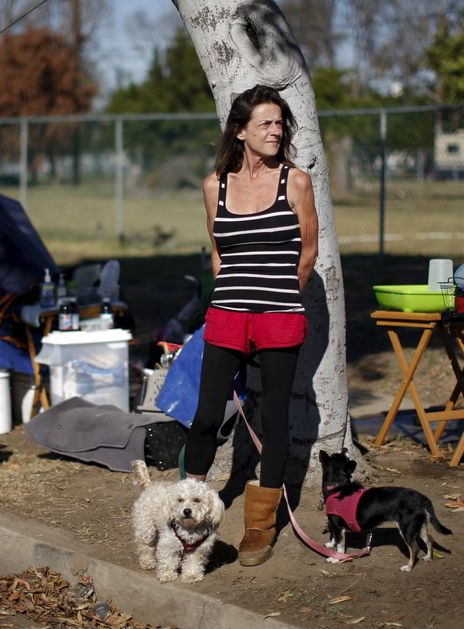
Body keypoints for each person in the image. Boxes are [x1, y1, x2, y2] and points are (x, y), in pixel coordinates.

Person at [183, 84, 318, 567]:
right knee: (204, 415)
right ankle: (188, 513)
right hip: (227, 316)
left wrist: (282, 295)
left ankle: (260, 527)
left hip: (280, 316)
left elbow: (308, 251)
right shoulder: (213, 185)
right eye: (265, 122)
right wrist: (230, 293)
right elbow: (218, 251)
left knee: (274, 418)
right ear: (240, 131)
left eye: (280, 122)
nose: (275, 129)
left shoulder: (295, 182)